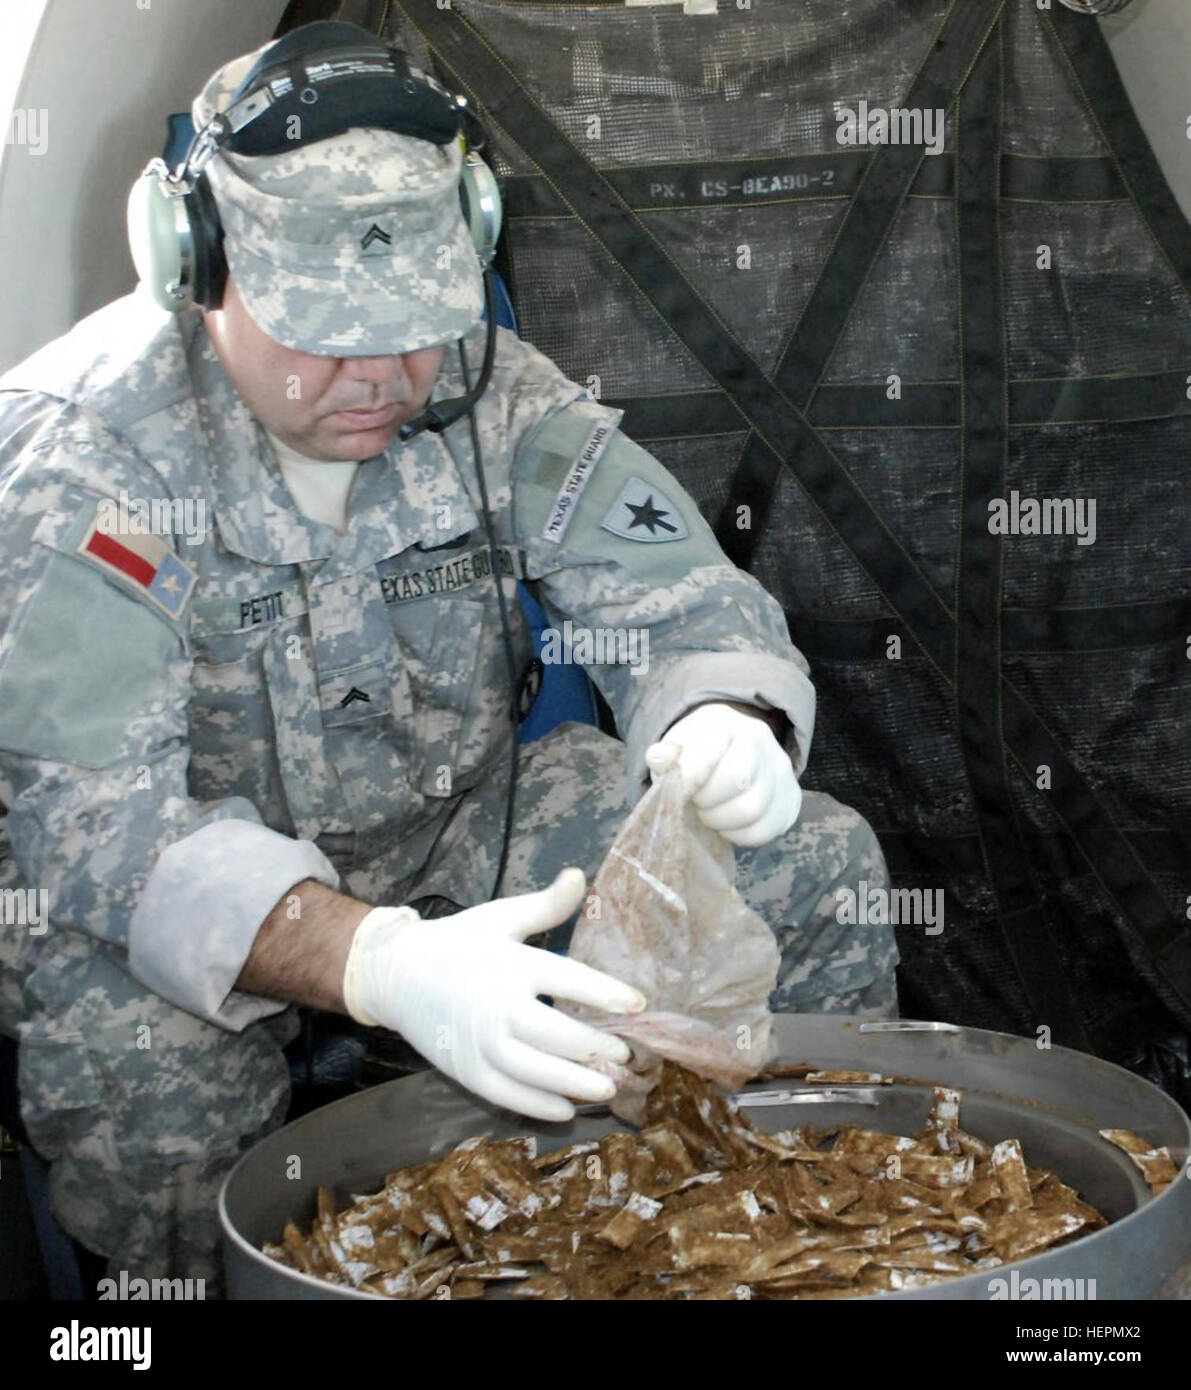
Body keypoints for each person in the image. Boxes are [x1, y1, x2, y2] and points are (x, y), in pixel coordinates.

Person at [0, 25, 897, 1291]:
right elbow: (104, 832)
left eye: (411, 324)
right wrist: (381, 963)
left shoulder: (482, 383)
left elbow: (677, 591)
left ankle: (766, 1236)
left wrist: (729, 712)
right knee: (144, 1067)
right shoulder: (80, 453)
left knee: (808, 858)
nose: (382, 375)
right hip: (185, 913)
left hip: (456, 843)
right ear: (193, 264)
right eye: (325, 331)